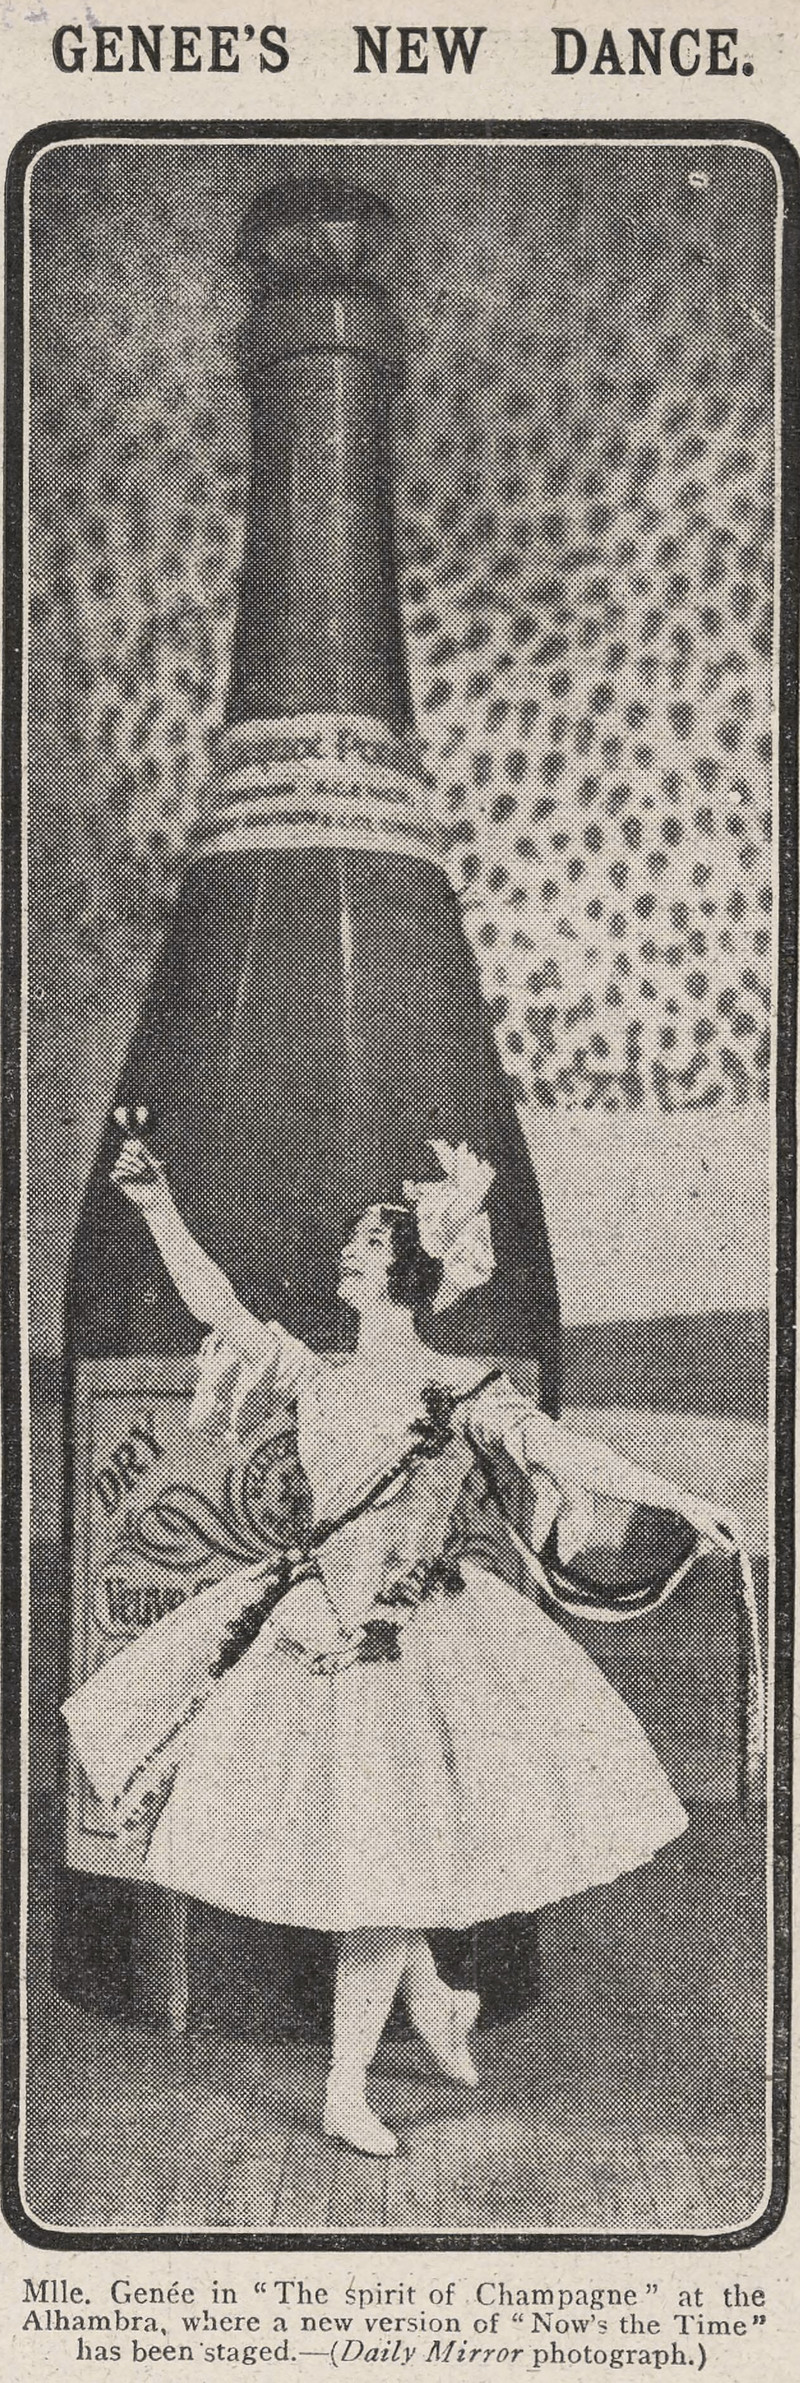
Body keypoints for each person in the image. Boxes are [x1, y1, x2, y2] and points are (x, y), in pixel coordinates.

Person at [64, 1135, 750, 2157]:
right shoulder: (314, 1374)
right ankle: (435, 1998)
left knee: (379, 1859)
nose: (347, 1250)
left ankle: (347, 2084)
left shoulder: (463, 1389)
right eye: (352, 1239)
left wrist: (686, 1500)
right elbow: (219, 1309)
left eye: (369, 1241)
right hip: (314, 1623)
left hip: (413, 1639)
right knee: (371, 1846)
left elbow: (566, 1452)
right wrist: (158, 1204)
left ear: (412, 1267)